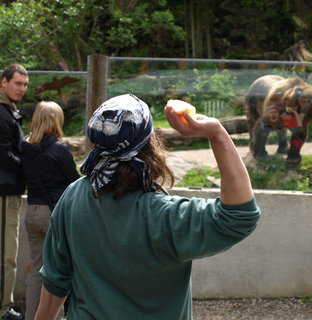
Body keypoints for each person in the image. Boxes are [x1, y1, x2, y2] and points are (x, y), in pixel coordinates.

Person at [34, 94, 260, 320]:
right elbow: (240, 216)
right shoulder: (164, 215)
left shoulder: (73, 196)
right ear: (151, 143)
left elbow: (55, 279)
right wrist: (217, 134)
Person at [21, 101, 79, 320]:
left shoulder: (25, 147)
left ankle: (32, 316)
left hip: (32, 212)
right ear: (56, 120)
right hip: (53, 214)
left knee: (36, 269)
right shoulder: (59, 149)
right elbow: (73, 182)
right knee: (59, 269)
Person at [0, 64, 28, 320]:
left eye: (25, 84)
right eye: (17, 83)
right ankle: (3, 310)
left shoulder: (8, 111)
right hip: (4, 192)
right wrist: (29, 164)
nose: (22, 88)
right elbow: (4, 153)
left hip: (9, 189)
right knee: (6, 255)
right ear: (3, 82)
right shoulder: (2, 112)